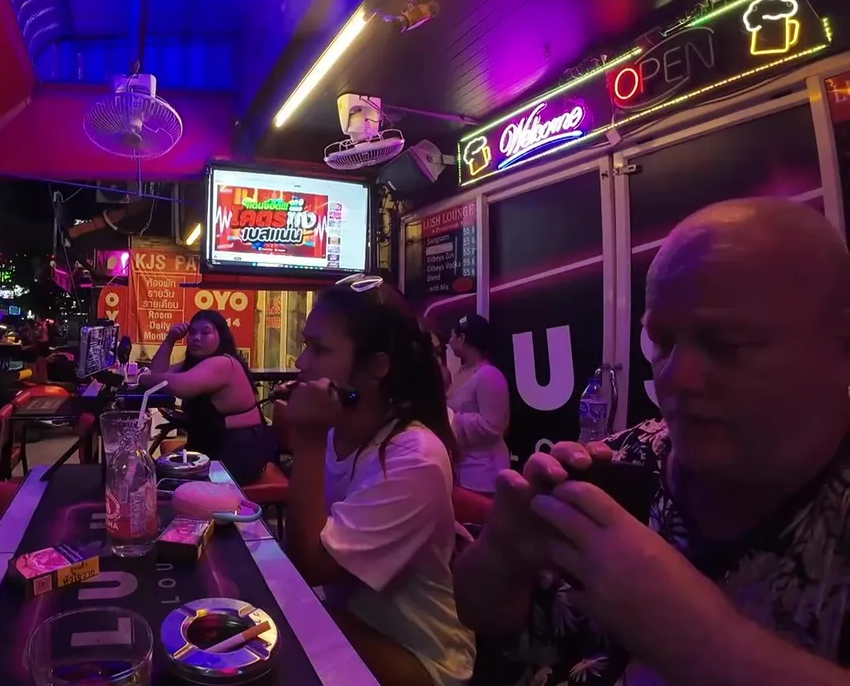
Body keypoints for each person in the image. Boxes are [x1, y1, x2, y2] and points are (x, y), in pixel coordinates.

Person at [453, 199, 850, 685]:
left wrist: (701, 643)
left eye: (727, 344)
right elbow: (481, 613)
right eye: (661, 342)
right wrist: (502, 550)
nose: (674, 376)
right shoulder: (627, 460)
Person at [282, 275, 474, 686]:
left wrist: (307, 437)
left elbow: (310, 566)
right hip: (355, 625)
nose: (301, 363)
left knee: (278, 635)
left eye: (319, 350)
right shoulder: (338, 432)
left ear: (376, 368)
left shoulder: (414, 456)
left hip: (422, 658)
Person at [141, 310, 277, 485]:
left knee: (157, 479)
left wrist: (142, 377)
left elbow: (181, 386)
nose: (196, 338)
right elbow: (157, 373)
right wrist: (170, 339)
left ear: (221, 335)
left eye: (205, 332)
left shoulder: (223, 363)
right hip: (211, 446)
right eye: (192, 333)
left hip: (236, 454)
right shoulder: (196, 363)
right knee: (156, 473)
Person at [446, 314, 510, 494]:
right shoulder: (460, 372)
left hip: (484, 475)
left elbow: (493, 426)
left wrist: (451, 420)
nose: (449, 342)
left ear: (462, 338)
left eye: (452, 336)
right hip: (461, 470)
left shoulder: (489, 375)